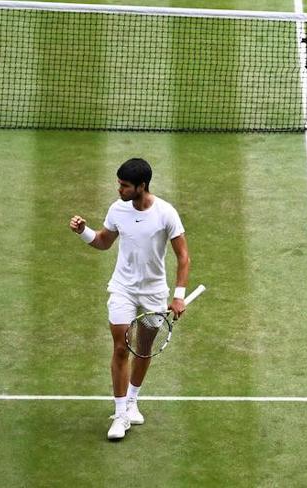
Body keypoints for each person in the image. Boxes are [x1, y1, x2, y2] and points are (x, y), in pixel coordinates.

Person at [69, 157, 191, 441]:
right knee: (122, 348)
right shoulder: (117, 210)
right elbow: (103, 242)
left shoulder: (166, 213)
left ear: (141, 186)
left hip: (153, 292)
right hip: (123, 287)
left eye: (124, 185)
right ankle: (120, 413)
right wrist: (83, 232)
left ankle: (133, 400)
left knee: (143, 349)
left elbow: (183, 256)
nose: (119, 189)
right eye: (119, 184)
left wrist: (178, 297)